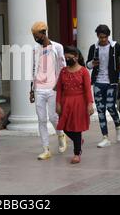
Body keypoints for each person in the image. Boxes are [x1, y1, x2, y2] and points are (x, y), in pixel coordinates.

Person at [30, 21, 67, 160]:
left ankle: (60, 134)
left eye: (36, 35)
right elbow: (34, 68)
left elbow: (63, 67)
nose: (35, 38)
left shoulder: (57, 47)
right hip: (39, 88)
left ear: (43, 33)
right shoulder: (35, 49)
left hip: (53, 88)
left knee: (53, 117)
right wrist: (31, 89)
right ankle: (46, 149)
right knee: (41, 119)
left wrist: (60, 85)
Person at [86, 25, 120, 148]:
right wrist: (93, 63)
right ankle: (105, 137)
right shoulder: (94, 47)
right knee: (100, 109)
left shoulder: (115, 47)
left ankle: (118, 125)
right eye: (100, 37)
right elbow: (88, 65)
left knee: (110, 106)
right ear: (97, 36)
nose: (102, 39)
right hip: (98, 81)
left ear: (108, 36)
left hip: (111, 82)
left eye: (104, 37)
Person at [56, 46, 94, 164]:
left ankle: (77, 153)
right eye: (65, 57)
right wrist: (58, 103)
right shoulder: (63, 71)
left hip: (79, 103)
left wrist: (90, 104)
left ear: (76, 57)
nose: (67, 59)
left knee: (76, 128)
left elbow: (88, 90)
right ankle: (78, 140)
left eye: (69, 57)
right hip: (65, 101)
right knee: (64, 127)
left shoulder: (84, 71)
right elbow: (59, 89)